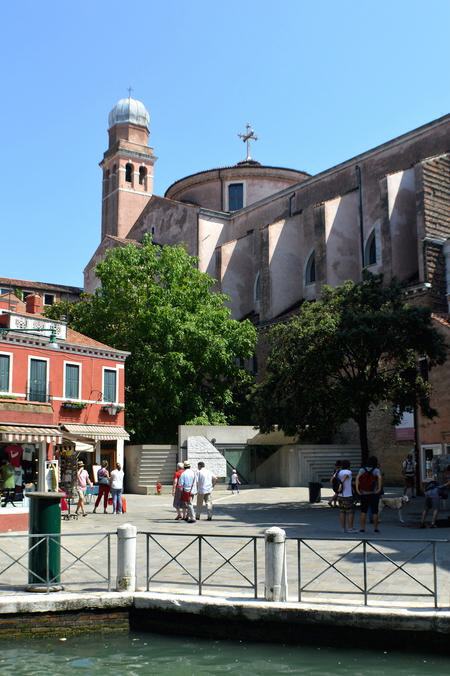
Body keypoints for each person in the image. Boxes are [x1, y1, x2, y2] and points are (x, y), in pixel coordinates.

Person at [356, 456, 383, 533]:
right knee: (375, 511)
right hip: (374, 494)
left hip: (364, 493)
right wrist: (379, 489)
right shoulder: (376, 470)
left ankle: (362, 528)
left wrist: (358, 489)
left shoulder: (362, 470)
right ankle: (375, 528)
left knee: (363, 511)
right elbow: (380, 478)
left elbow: (358, 478)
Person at [336, 459, 356, 533]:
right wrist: (342, 482)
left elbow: (332, 480)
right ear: (349, 465)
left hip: (340, 494)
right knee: (350, 512)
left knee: (342, 511)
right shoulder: (349, 472)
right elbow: (346, 476)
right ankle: (350, 528)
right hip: (348, 495)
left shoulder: (339, 472)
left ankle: (342, 528)